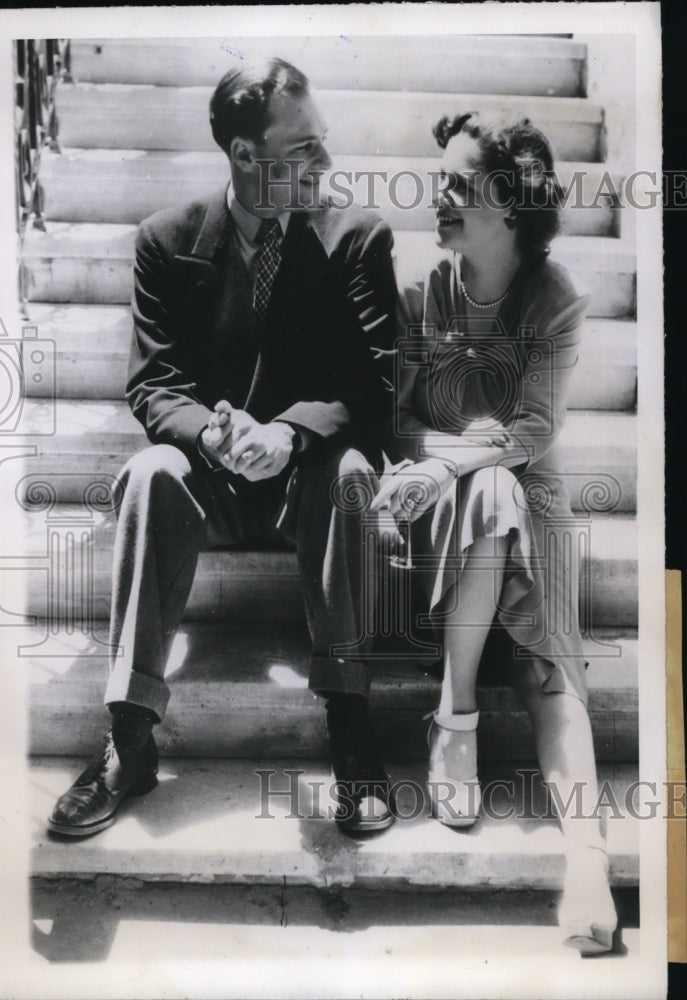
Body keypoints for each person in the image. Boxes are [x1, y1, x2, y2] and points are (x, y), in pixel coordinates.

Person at [48, 58, 399, 839]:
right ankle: (129, 739)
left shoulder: (355, 237)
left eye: (321, 140)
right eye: (302, 147)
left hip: (308, 481)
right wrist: (212, 432)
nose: (325, 160)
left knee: (350, 471)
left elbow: (374, 384)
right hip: (211, 479)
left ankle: (351, 726)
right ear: (244, 153)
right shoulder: (166, 241)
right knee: (149, 472)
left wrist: (287, 433)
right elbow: (154, 384)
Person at [372, 111, 618, 954]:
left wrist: (454, 463)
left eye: (457, 184)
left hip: (525, 486)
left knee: (553, 667)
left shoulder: (554, 299)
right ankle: (455, 715)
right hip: (436, 499)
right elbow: (399, 421)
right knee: (487, 493)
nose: (435, 195)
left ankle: (585, 861)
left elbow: (534, 430)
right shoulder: (420, 288)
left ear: (510, 204)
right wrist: (442, 465)